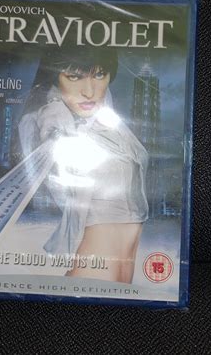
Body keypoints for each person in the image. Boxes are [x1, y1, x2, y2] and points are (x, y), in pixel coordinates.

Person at [18, 45, 149, 283]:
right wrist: (56, 135)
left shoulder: (105, 117)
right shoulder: (55, 113)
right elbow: (51, 129)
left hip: (123, 260)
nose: (89, 91)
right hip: (95, 262)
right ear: (54, 78)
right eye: (74, 76)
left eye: (99, 74)